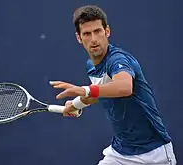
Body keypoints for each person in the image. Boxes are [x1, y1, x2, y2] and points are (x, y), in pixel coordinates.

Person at [49, 5, 177, 165]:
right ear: (79, 38)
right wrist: (76, 104)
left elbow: (124, 87)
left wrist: (84, 89)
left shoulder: (118, 60)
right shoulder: (91, 65)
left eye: (98, 31)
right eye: (87, 34)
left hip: (154, 154)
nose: (94, 38)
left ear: (107, 31)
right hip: (119, 153)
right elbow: (100, 92)